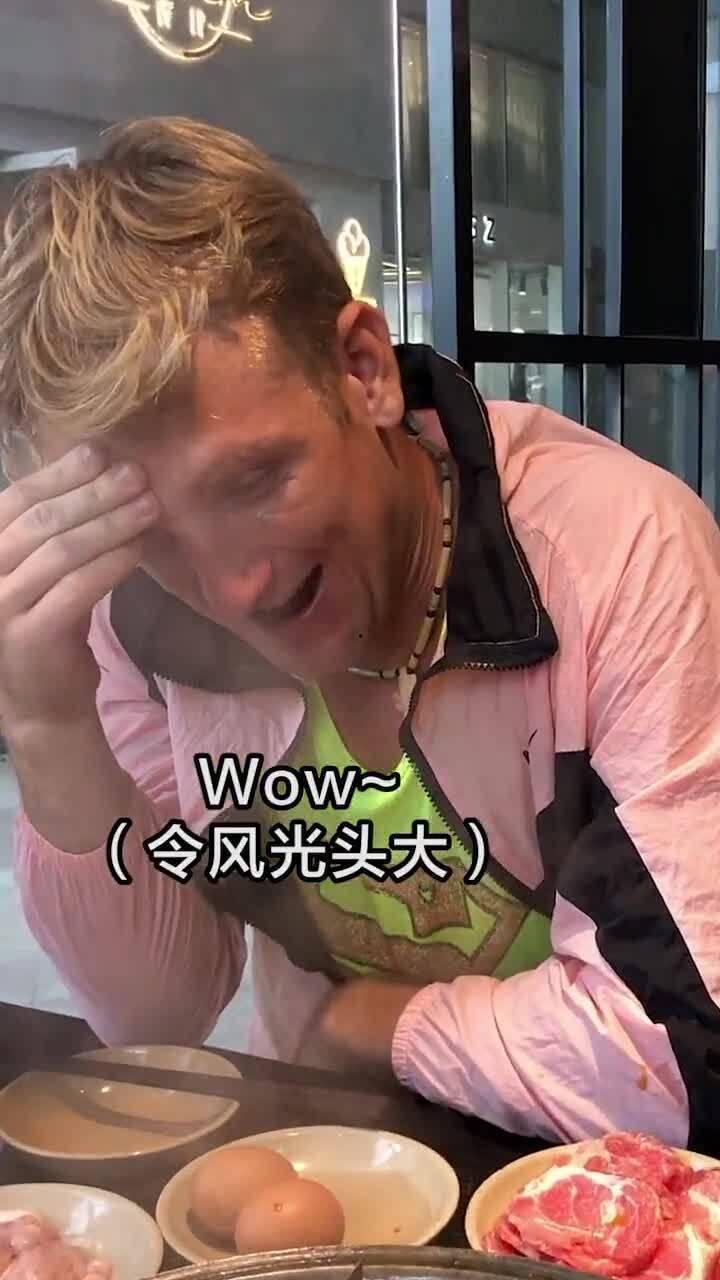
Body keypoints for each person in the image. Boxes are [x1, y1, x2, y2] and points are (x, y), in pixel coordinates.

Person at [0, 117, 719, 1153]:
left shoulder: (616, 551)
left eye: (255, 478)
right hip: (327, 1155)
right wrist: (50, 721)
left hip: (590, 1174)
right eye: (153, 533)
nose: (233, 589)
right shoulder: (137, 620)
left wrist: (367, 1025)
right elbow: (158, 1012)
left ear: (363, 366)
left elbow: (680, 1055)